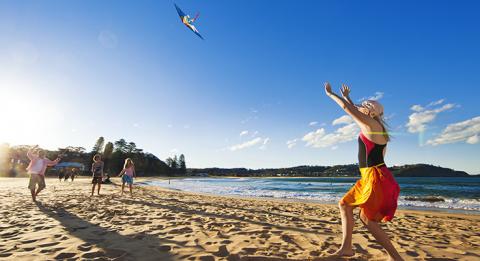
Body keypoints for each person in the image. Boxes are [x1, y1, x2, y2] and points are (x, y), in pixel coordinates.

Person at [324, 83, 402, 261]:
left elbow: (347, 109)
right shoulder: (374, 124)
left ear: (372, 113)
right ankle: (346, 248)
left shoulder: (372, 124)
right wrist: (348, 98)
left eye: (366, 105)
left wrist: (331, 94)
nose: (362, 105)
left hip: (376, 178)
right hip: (371, 176)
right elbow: (354, 108)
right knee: (344, 205)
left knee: (367, 219)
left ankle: (396, 258)